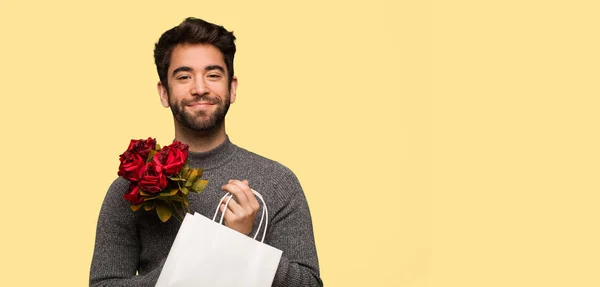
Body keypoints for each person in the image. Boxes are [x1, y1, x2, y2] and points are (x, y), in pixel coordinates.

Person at [89, 17, 322, 286]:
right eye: (184, 76)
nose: (200, 89)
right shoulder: (130, 188)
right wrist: (190, 260)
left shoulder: (279, 181)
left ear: (232, 88)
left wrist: (243, 247)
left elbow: (310, 284)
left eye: (213, 75)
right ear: (164, 93)